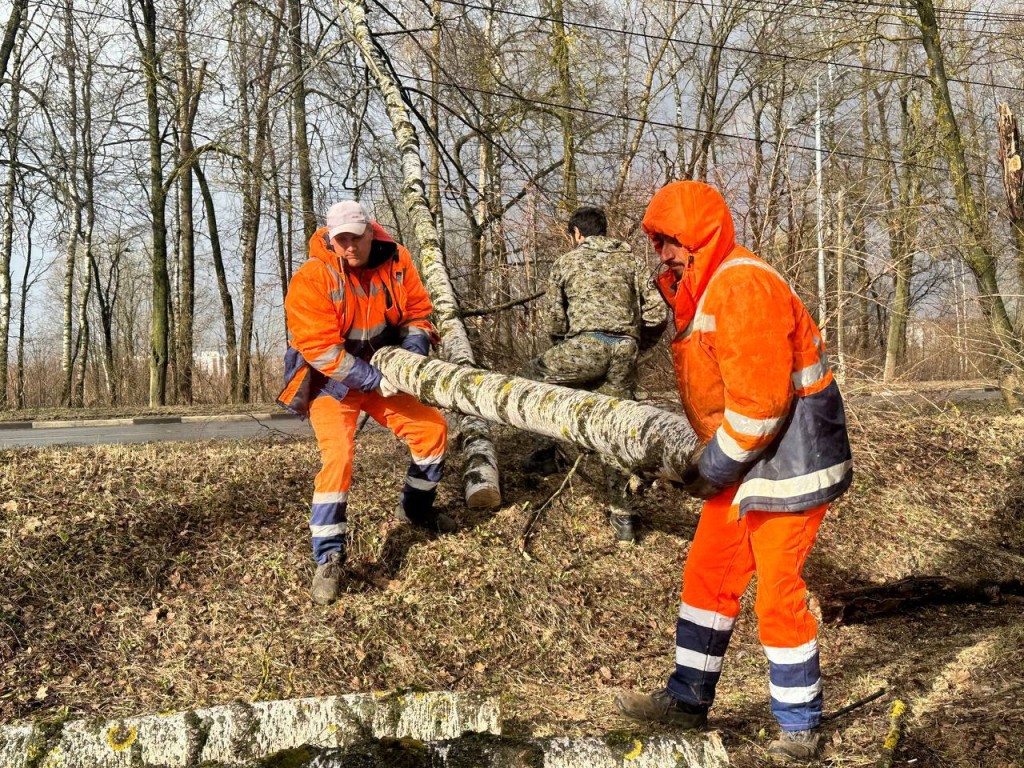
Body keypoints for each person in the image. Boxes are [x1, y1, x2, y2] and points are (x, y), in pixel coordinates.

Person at [613, 181, 853, 766]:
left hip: (790, 462)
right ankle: (686, 701)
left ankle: (799, 725)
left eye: (672, 242)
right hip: (750, 456)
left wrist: (711, 468)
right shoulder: (703, 288)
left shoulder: (742, 285)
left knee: (777, 591)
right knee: (707, 576)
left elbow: (760, 407)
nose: (664, 254)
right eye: (658, 243)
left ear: (701, 235)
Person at [278, 200, 454, 606]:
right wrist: (375, 380)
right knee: (337, 459)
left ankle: (416, 509)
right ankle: (328, 557)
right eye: (340, 240)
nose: (349, 246)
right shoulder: (312, 278)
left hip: (384, 371)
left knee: (432, 430)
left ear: (371, 231)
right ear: (331, 238)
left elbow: (418, 313)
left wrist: (410, 358)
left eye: (355, 237)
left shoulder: (398, 260)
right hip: (331, 384)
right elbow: (320, 350)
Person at [519, 206, 667, 543]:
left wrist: (568, 349)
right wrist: (635, 346)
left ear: (576, 233)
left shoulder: (567, 262)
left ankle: (546, 451)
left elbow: (554, 322)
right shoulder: (631, 261)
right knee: (614, 426)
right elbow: (657, 313)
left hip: (586, 345)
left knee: (528, 377)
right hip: (625, 350)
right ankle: (624, 517)